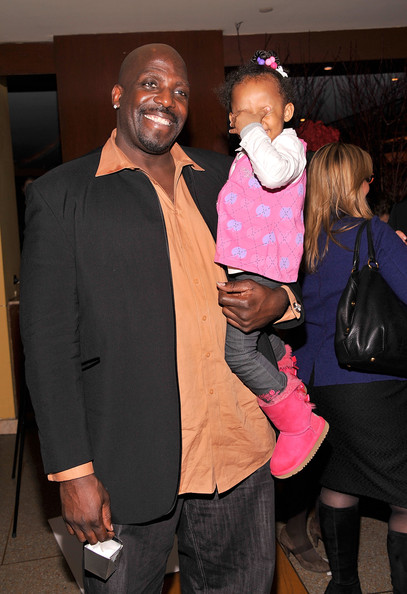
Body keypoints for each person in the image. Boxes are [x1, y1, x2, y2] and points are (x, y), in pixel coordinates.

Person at [19, 43, 305, 593]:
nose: (166, 99)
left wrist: (281, 303)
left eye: (179, 91)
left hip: (238, 454)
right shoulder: (62, 197)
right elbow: (49, 347)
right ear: (118, 95)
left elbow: (285, 259)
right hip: (127, 464)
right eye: (151, 84)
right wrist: (73, 473)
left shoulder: (230, 176)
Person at [296, 142, 407, 593]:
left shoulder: (301, 241)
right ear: (356, 185)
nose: (370, 184)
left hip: (315, 386)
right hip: (371, 383)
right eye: (367, 178)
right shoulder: (373, 235)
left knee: (340, 477)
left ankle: (343, 586)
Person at [214, 50, 328, 480]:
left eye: (266, 112)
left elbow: (275, 175)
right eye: (244, 114)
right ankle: (283, 365)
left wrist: (251, 130)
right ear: (230, 122)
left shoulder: (288, 150)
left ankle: (297, 422)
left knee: (238, 354)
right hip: (248, 266)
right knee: (261, 340)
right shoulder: (243, 159)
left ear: (288, 112)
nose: (256, 122)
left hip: (265, 266)